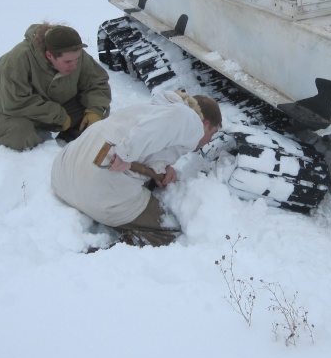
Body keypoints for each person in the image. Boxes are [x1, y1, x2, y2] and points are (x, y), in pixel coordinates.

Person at [51, 90, 222, 247]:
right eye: (212, 133)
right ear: (205, 123)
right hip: (96, 190)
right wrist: (125, 153)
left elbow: (151, 138)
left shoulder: (153, 109)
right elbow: (163, 125)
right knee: (168, 228)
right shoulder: (190, 119)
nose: (208, 140)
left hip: (63, 174)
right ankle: (113, 251)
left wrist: (163, 169)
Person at [0, 23, 111, 151]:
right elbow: (13, 103)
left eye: (77, 59)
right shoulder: (17, 60)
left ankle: (69, 144)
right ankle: (40, 154)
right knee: (19, 132)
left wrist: (95, 111)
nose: (74, 65)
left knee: (96, 112)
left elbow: (97, 82)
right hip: (8, 112)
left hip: (51, 108)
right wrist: (58, 115)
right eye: (68, 61)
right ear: (49, 55)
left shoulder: (73, 54)